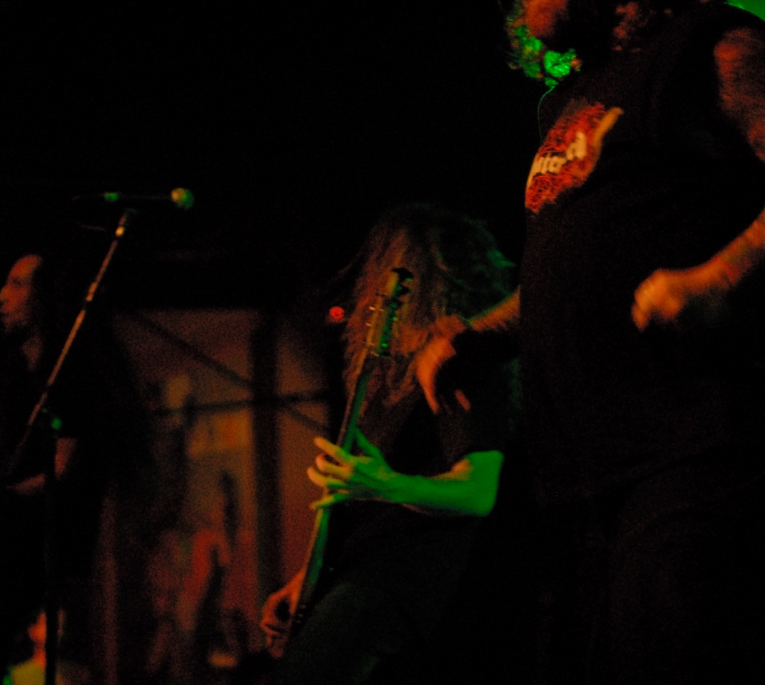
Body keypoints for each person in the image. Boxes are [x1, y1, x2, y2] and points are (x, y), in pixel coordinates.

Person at [418, 1, 765, 681]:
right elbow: (573, 264)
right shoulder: (570, 101)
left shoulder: (706, 48)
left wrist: (721, 276)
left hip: (694, 453)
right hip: (586, 485)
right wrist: (482, 335)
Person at [259, 204, 516, 684]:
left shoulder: (459, 364)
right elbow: (359, 508)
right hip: (359, 570)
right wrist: (306, 581)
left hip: (406, 577)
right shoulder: (384, 374)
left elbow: (478, 491)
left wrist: (386, 484)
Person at [0, 250, 140, 684]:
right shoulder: (14, 374)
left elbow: (63, 473)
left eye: (17, 284)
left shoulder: (70, 374)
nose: (0, 296)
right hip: (11, 538)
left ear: (44, 299)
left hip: (45, 550)